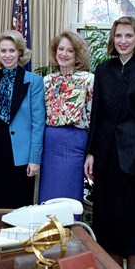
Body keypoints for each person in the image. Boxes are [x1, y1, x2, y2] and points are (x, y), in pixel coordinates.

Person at [84, 16, 135, 269]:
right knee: (108, 218)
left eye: (128, 36)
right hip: (106, 156)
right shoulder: (104, 69)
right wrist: (91, 153)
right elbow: (97, 115)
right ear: (113, 39)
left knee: (134, 219)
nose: (123, 41)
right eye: (118, 36)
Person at [0, 30, 45, 208]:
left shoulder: (34, 81)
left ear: (20, 53)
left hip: (20, 154)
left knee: (17, 206)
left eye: (12, 50)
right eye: (3, 51)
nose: (7, 55)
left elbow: (38, 124)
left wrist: (34, 158)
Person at [38, 31, 94, 204]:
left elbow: (93, 118)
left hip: (74, 144)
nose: (64, 54)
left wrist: (92, 152)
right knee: (47, 197)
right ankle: (46, 231)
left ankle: (71, 231)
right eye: (61, 49)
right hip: (49, 145)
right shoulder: (46, 80)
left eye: (70, 51)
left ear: (77, 56)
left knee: (68, 198)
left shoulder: (89, 80)